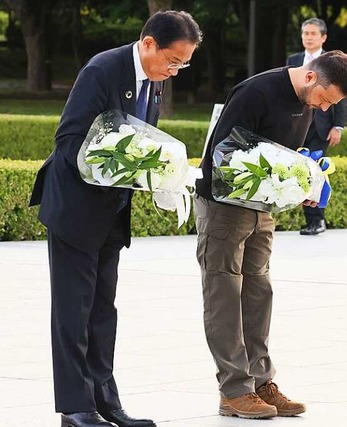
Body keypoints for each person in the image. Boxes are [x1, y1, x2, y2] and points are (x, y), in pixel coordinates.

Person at [28, 11, 202, 427]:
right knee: (74, 310)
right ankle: (75, 407)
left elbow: (143, 144)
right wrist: (113, 168)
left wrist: (160, 176)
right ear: (148, 44)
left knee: (103, 311)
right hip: (75, 207)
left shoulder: (155, 83)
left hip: (111, 212)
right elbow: (69, 140)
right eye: (173, 61)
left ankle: (107, 402)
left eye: (184, 64)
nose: (175, 71)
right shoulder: (102, 70)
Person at [194, 50, 347, 419]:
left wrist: (303, 178)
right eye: (325, 99)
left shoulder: (308, 103)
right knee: (224, 293)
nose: (323, 107)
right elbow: (223, 155)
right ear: (312, 78)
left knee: (258, 292)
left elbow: (282, 153)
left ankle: (261, 381)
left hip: (261, 209)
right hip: (225, 205)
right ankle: (234, 389)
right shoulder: (256, 92)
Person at [286, 18, 345, 236]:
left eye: (313, 34)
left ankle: (317, 220)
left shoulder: (332, 62)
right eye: (305, 33)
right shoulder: (294, 60)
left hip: (321, 127)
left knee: (316, 172)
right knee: (299, 171)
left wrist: (337, 126)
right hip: (298, 123)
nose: (308, 37)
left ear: (323, 37)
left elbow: (341, 97)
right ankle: (305, 219)